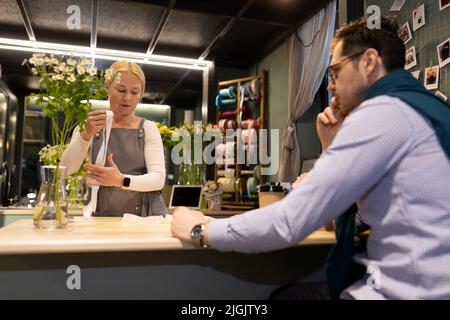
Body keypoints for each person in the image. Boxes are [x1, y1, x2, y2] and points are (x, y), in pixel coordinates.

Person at [171, 17, 450, 299]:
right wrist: (331, 147)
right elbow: (362, 212)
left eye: (336, 71)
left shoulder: (380, 113)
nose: (330, 86)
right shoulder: (429, 110)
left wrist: (200, 229)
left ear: (368, 62)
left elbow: (289, 222)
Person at [61, 61, 167, 217]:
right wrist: (85, 136)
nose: (127, 98)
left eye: (135, 92)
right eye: (121, 90)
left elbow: (158, 179)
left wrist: (121, 180)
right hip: (102, 218)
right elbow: (66, 169)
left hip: (143, 220)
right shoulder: (91, 125)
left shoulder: (148, 128)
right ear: (107, 87)